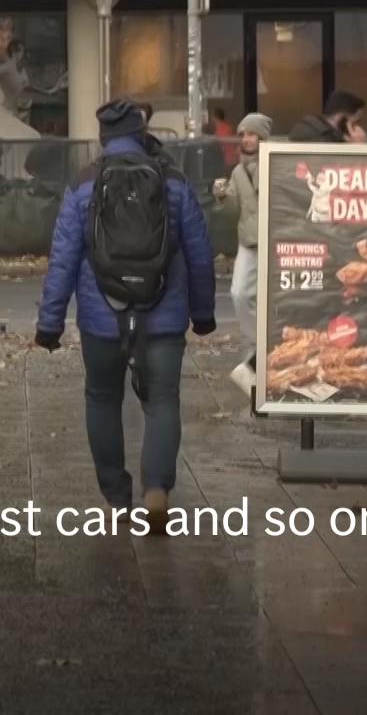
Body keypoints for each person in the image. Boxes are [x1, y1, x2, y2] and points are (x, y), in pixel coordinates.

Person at [36, 100, 216, 531]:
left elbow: (63, 259)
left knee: (102, 397)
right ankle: (156, 490)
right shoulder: (172, 182)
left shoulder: (83, 186)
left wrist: (50, 323)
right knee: (162, 399)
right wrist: (203, 312)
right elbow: (200, 254)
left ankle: (116, 497)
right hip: (164, 318)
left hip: (101, 319)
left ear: (102, 138)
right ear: (142, 133)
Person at [214, 113, 273, 394]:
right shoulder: (237, 171)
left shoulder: (274, 163)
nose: (247, 139)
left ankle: (261, 358)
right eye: (243, 134)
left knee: (268, 299)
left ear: (263, 137)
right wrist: (223, 196)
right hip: (249, 241)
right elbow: (232, 211)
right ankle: (255, 347)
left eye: (252, 134)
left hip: (273, 242)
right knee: (239, 293)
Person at [290, 90, 365, 143]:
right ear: (342, 115)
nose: (357, 126)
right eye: (355, 121)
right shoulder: (309, 131)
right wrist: (355, 146)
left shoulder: (332, 134)